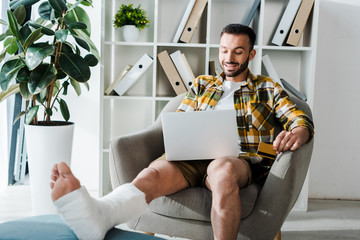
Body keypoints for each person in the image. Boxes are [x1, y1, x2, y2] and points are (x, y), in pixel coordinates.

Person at [50, 24, 314, 240]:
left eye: (237, 52)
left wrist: (300, 131)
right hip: (192, 154)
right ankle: (101, 214)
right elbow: (181, 118)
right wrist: (181, 138)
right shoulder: (202, 84)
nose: (228, 59)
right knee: (152, 173)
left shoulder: (266, 88)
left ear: (251, 55)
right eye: (224, 51)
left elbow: (298, 117)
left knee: (222, 173)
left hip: (237, 159)